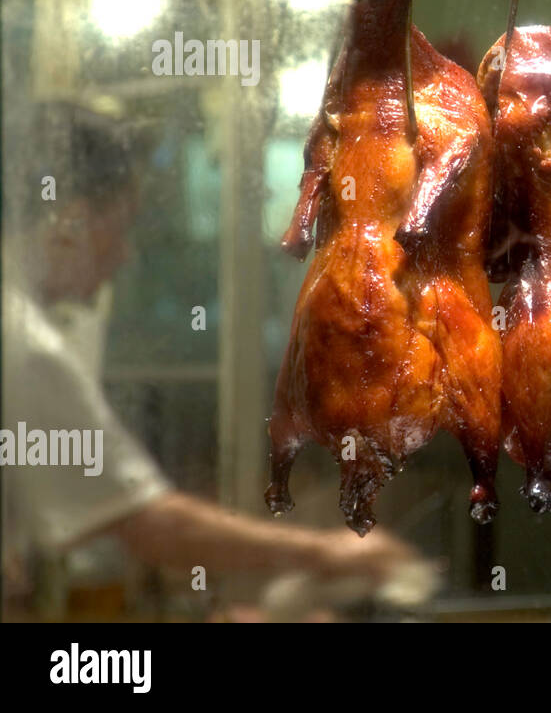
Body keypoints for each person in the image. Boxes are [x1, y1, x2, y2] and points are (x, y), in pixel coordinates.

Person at [2, 101, 426, 618]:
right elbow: (150, 525)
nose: (124, 255)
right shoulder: (23, 342)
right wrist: (327, 553)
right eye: (121, 225)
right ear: (69, 220)